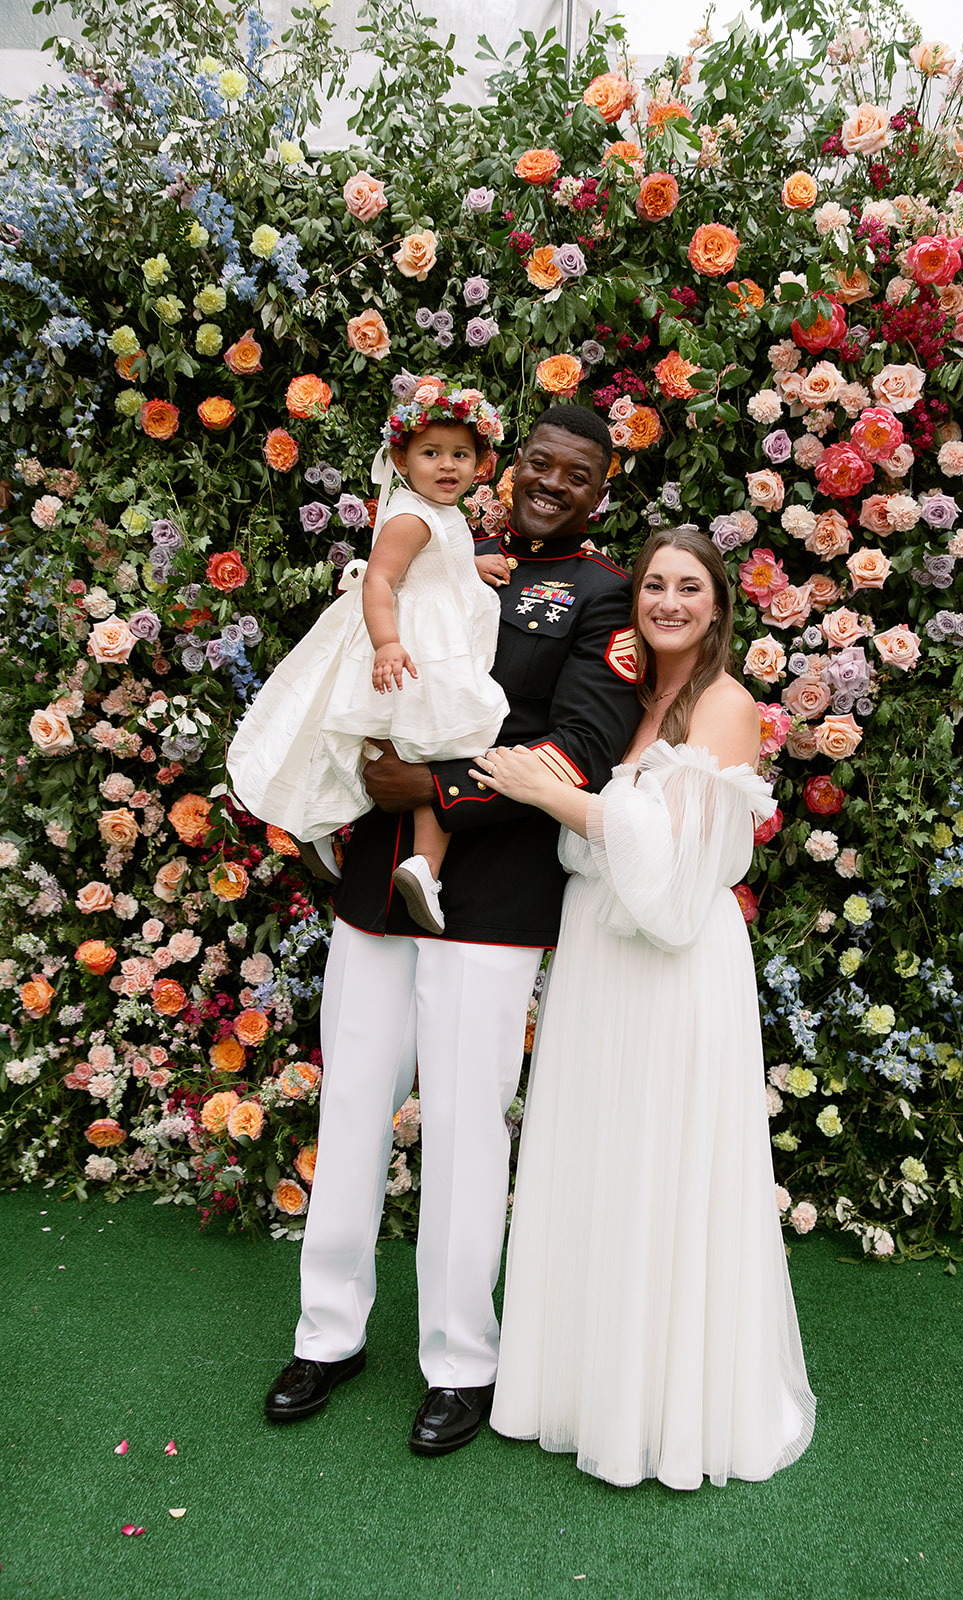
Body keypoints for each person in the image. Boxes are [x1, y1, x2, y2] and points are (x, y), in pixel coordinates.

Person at [263, 405, 645, 1456]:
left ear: (600, 490)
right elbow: (360, 663)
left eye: (576, 474)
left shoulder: (603, 596)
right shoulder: (443, 546)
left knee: (469, 1127)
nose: (551, 484)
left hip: (491, 897)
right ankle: (327, 1334)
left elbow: (578, 751)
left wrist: (431, 786)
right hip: (379, 883)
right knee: (351, 1106)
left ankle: (459, 1359)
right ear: (507, 468)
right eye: (538, 464)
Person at [476, 526, 817, 1490]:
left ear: (717, 607)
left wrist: (547, 793)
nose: (668, 601)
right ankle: (580, 1391)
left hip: (673, 968)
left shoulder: (724, 705)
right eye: (654, 584)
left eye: (689, 587)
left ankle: (663, 1415)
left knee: (661, 1165)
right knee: (597, 1157)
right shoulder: (629, 695)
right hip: (597, 955)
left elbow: (668, 874)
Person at [227, 378, 510, 934]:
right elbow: (380, 578)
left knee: (410, 746)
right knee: (442, 745)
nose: (447, 465)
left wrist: (468, 566)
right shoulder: (411, 518)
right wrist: (388, 644)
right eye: (431, 453)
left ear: (481, 463)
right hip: (413, 648)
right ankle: (417, 864)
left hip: (422, 644)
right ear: (402, 459)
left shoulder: (435, 511)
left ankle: (347, 837)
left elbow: (434, 560)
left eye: (461, 455)